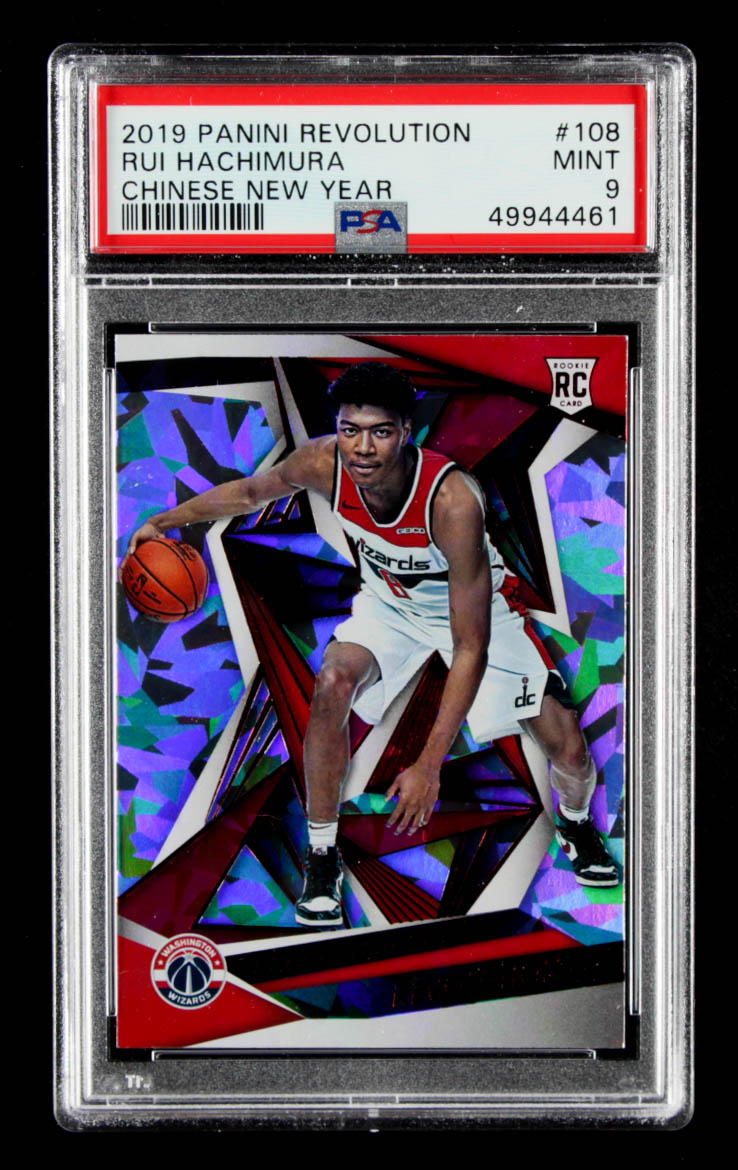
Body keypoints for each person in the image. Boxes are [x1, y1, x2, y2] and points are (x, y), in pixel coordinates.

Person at [128, 362, 619, 926]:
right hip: (390, 604)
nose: (362, 448)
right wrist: (166, 521)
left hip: (476, 616)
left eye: (380, 432)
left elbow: (469, 647)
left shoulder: (451, 501)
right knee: (332, 681)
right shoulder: (322, 463)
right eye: (350, 430)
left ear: (406, 432)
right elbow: (249, 492)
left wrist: (428, 765)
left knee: (570, 751)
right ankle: (321, 856)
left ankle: (575, 824)